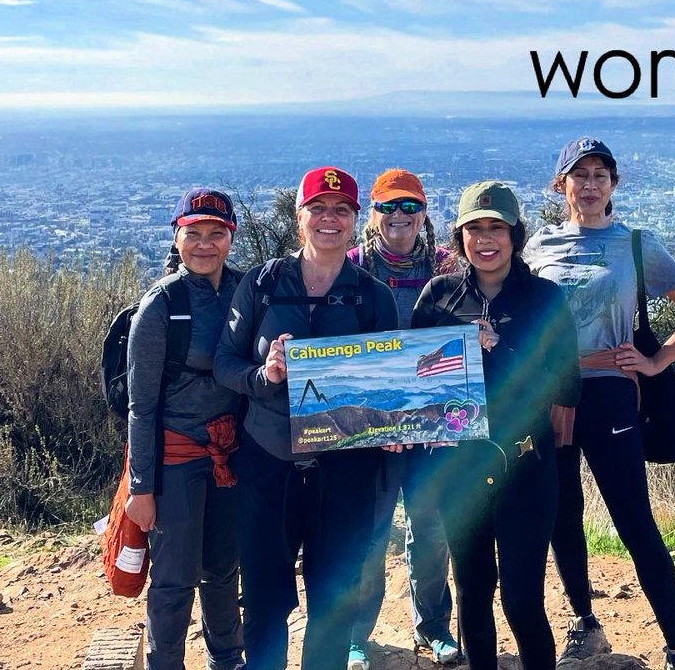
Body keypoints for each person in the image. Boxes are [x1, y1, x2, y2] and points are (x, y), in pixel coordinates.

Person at [523, 138, 675, 670]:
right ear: (560, 184)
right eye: (578, 175)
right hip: (551, 396)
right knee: (564, 514)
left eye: (600, 175)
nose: (589, 185)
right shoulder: (537, 248)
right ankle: (585, 625)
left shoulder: (636, 244)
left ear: (614, 184)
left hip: (610, 392)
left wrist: (656, 363)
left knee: (634, 520)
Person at [214, 166, 400, 670]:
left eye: (341, 210)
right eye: (317, 208)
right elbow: (225, 363)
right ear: (300, 217)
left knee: (334, 602)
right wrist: (265, 376)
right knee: (265, 602)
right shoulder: (263, 284)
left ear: (355, 220)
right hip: (268, 466)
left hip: (345, 474)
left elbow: (392, 385)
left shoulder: (371, 296)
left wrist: (397, 427)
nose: (329, 219)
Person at [411, 180, 580, 670]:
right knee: (473, 593)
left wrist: (498, 350)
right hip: (459, 467)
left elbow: (567, 384)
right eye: (474, 228)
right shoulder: (439, 296)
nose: (485, 239)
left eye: (496, 228)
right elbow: (413, 379)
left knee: (523, 599)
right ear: (460, 235)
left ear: (515, 234)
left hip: (527, 463)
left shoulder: (544, 298)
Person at [124, 188, 245, 670]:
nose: (204, 244)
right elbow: (141, 406)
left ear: (231, 238)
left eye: (216, 233)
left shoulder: (244, 290)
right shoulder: (160, 306)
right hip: (175, 455)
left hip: (230, 454)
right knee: (174, 578)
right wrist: (142, 488)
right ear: (176, 238)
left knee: (222, 569)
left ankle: (227, 659)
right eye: (192, 233)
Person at [346, 169, 459, 669]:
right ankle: (355, 634)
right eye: (389, 207)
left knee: (431, 528)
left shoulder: (448, 268)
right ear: (373, 213)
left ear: (424, 214)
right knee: (368, 533)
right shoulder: (350, 268)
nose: (399, 217)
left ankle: (433, 628)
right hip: (370, 432)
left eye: (410, 207)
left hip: (431, 430)